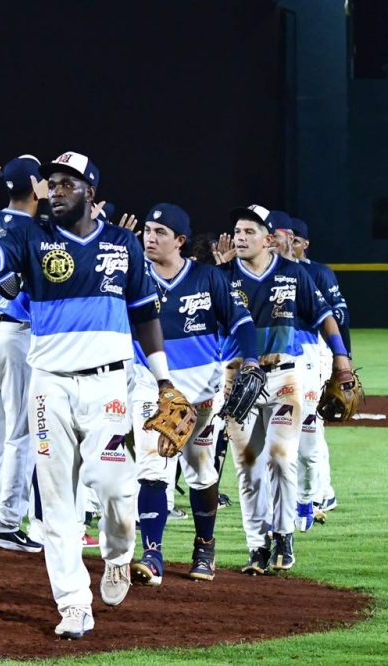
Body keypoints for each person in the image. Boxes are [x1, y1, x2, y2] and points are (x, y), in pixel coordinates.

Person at [0, 144, 174, 639]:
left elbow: (145, 313)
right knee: (57, 504)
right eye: (51, 184)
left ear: (89, 191)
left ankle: (119, 555)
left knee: (117, 490)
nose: (55, 192)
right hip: (49, 388)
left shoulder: (124, 244)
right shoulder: (28, 236)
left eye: (66, 184)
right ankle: (74, 604)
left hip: (109, 385)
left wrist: (164, 381)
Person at [128, 204, 258, 586]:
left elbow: (242, 322)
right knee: (151, 470)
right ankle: (152, 554)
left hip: (201, 396)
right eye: (147, 230)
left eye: (159, 232)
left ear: (180, 241)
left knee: (201, 474)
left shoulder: (209, 278)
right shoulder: (135, 277)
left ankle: (205, 545)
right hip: (151, 389)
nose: (149, 238)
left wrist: (250, 360)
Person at [223, 204, 353, 574]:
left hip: (285, 377)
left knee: (281, 457)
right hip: (238, 380)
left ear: (268, 239)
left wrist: (341, 358)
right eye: (237, 231)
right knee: (248, 468)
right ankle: (255, 545)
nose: (241, 237)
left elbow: (325, 316)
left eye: (250, 231)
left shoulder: (294, 273)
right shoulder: (220, 276)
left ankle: (283, 534)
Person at [0, 155, 44, 553]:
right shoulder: (38, 230)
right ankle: (6, 520)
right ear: (35, 186)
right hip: (15, 334)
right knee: (21, 430)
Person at [272, 216, 349, 519]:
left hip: (311, 353)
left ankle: (314, 496)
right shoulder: (258, 275)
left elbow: (336, 318)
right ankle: (310, 495)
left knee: (309, 429)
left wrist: (344, 357)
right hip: (273, 357)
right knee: (281, 434)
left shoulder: (315, 273)